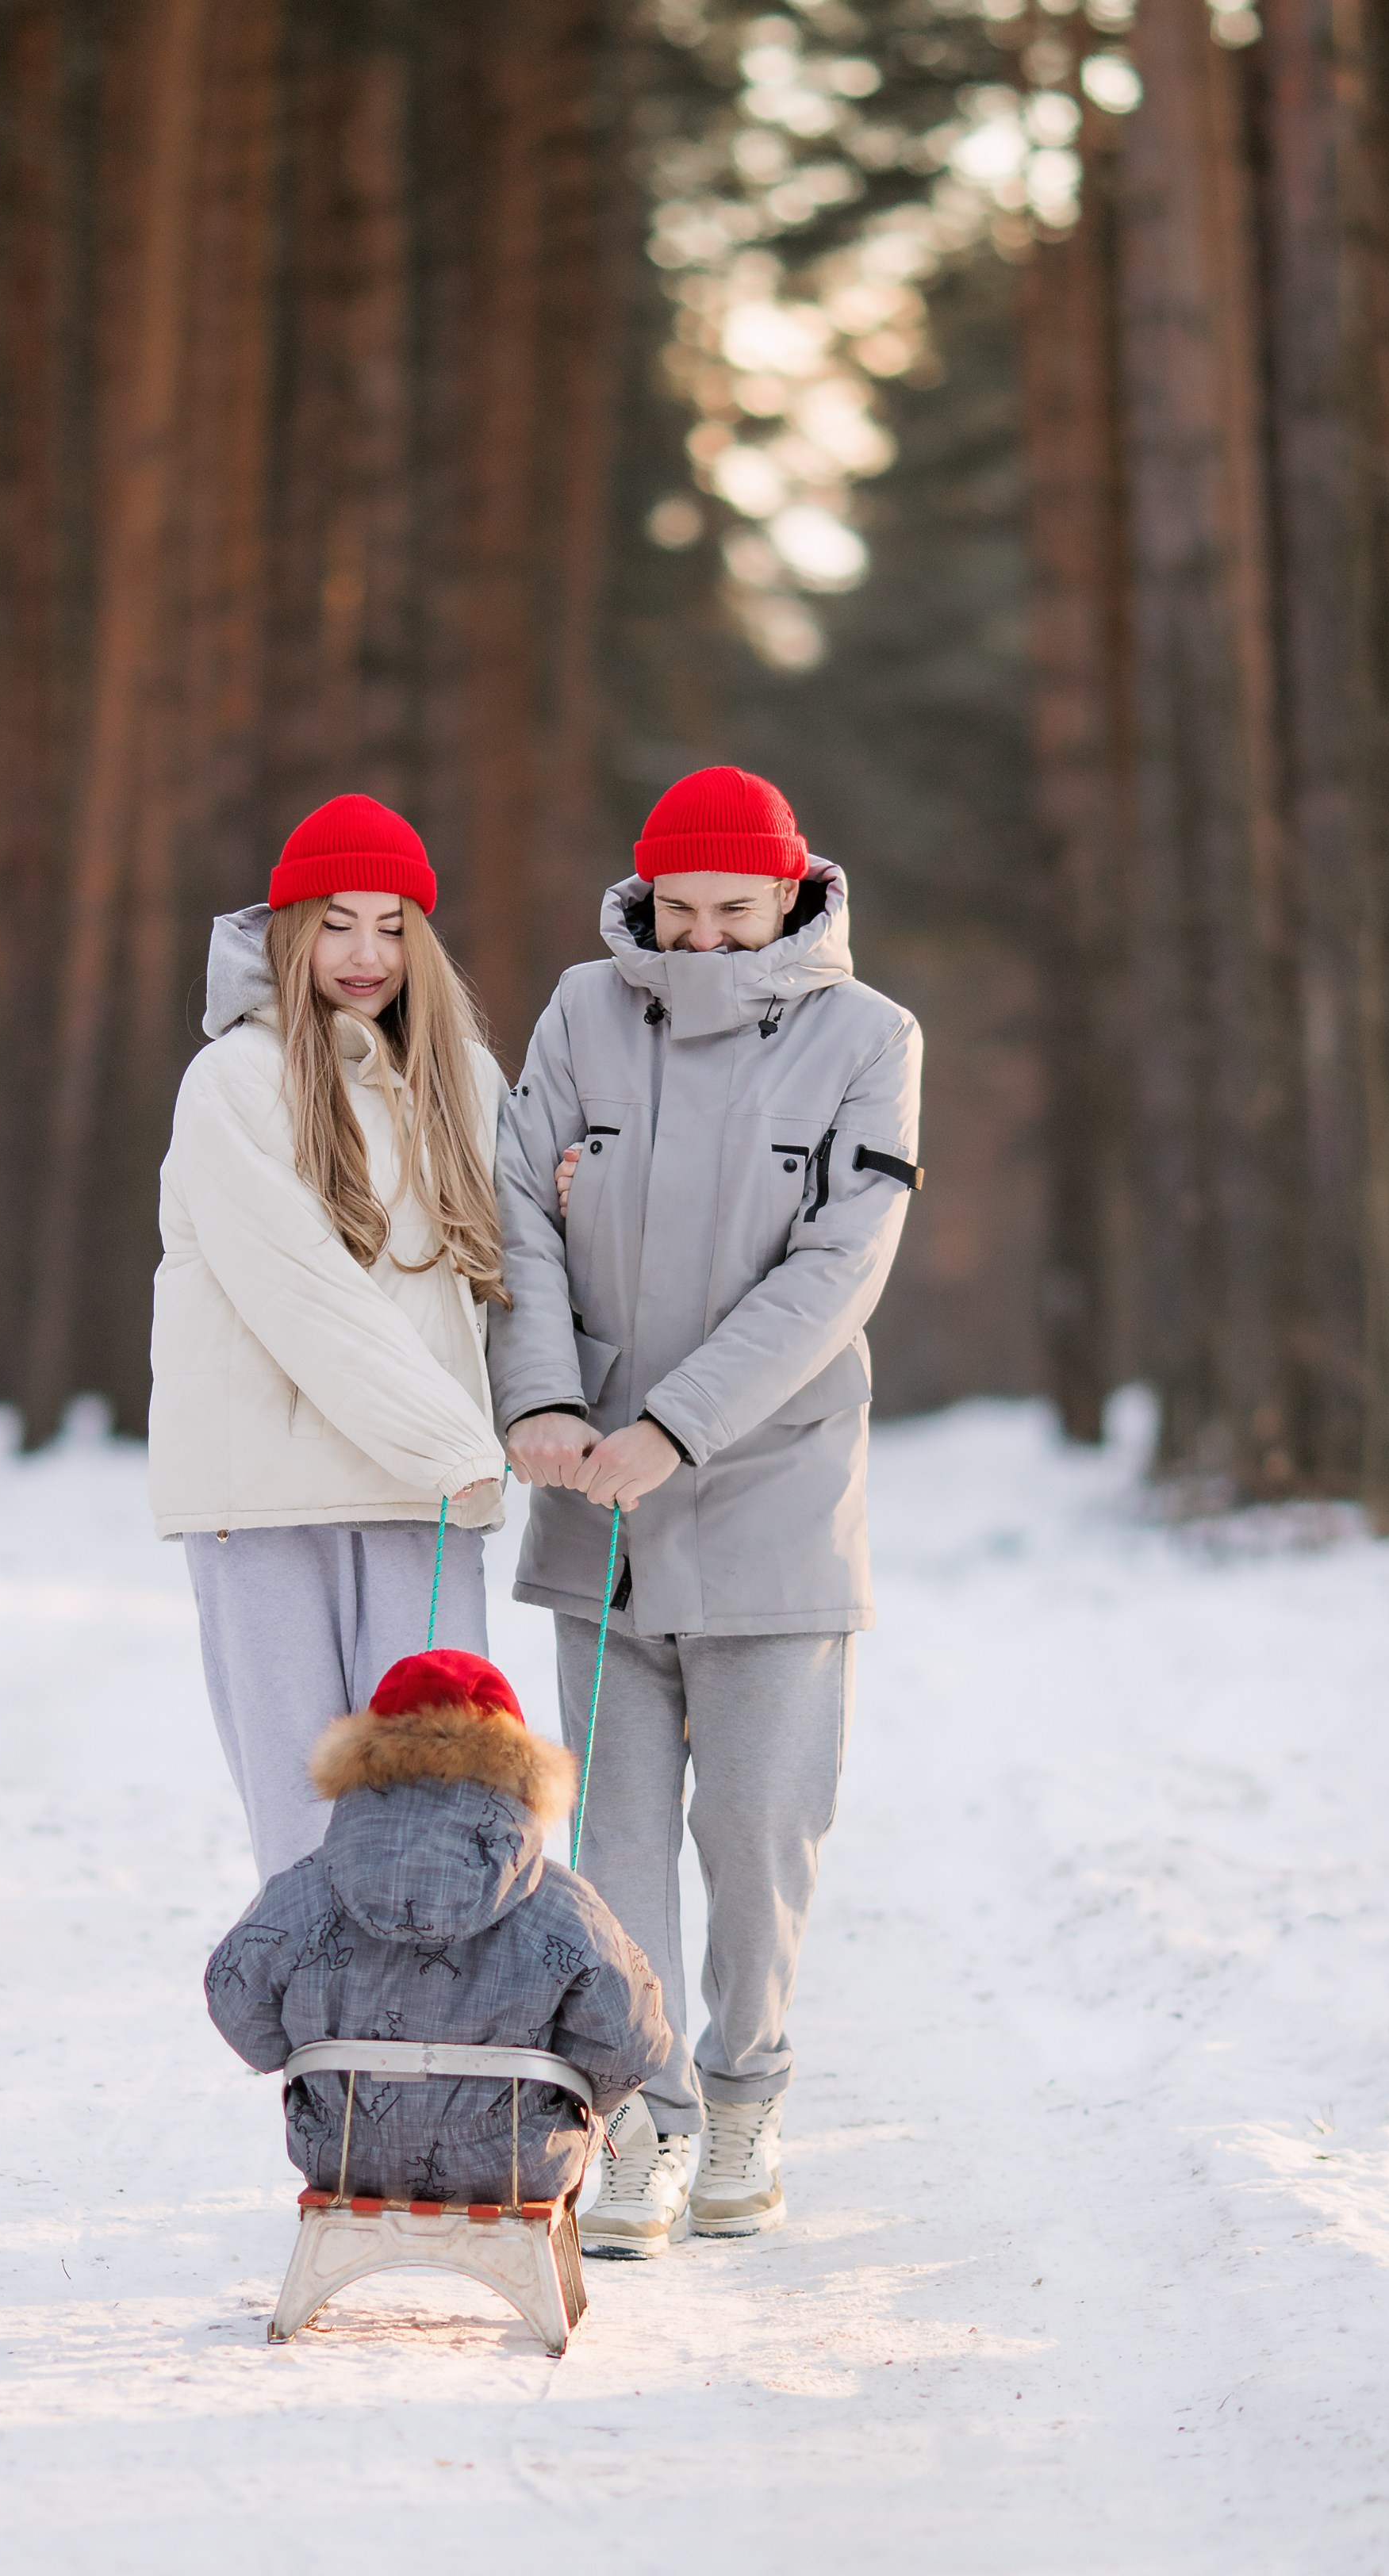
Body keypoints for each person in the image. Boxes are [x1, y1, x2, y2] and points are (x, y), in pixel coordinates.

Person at [489, 765, 923, 2259]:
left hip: (771, 1496)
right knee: (610, 1847)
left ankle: (743, 2097)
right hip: (592, 1503)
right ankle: (643, 2126)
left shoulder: (872, 1040)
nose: (704, 939)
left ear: (794, 893)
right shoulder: (578, 1012)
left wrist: (676, 1424)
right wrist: (542, 1398)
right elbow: (516, 1215)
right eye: (678, 909)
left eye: (736, 910)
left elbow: (834, 1271)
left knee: (753, 1834)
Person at [150, 794, 508, 1881]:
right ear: (289, 929)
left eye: (394, 925)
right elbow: (301, 1291)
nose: (366, 953)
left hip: (420, 1506)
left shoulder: (464, 1080)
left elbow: (518, 1268)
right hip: (266, 1501)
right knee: (304, 1824)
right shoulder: (231, 1081)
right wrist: (461, 1447)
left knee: (444, 1809)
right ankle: (324, 2054)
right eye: (338, 922)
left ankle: (435, 2050)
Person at [205, 1648, 672, 2205]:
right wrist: (563, 2085)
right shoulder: (562, 1906)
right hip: (520, 2165)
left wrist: (307, 2057)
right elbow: (631, 2045)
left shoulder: (305, 1889)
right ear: (518, 1766)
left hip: (343, 2157)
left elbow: (234, 1996)